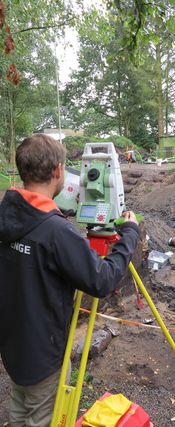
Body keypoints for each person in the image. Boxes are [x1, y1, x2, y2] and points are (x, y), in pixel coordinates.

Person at [0, 134, 140, 427]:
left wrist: (60, 216)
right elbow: (101, 281)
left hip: (14, 348)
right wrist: (129, 235)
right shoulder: (56, 233)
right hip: (43, 357)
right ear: (58, 170)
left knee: (19, 413)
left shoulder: (8, 213)